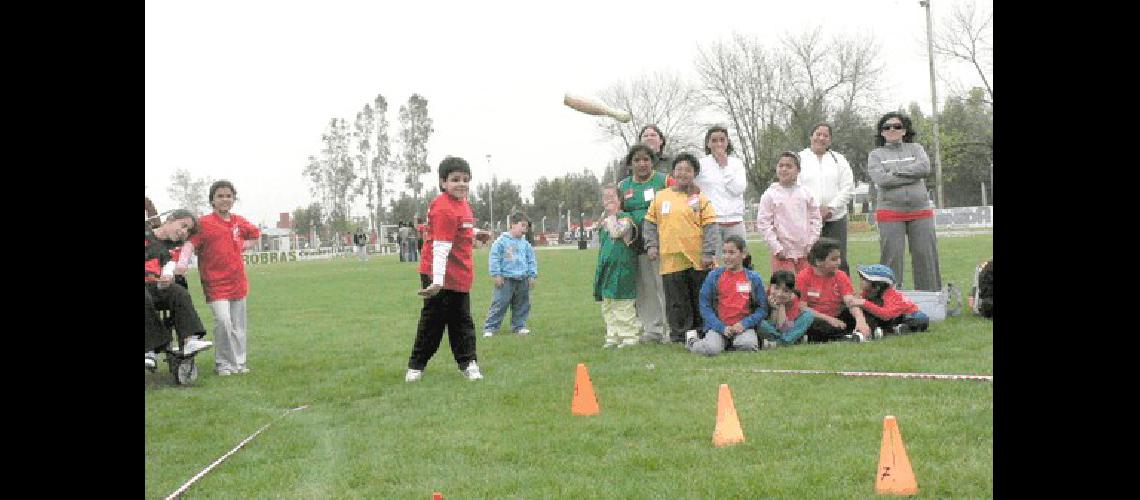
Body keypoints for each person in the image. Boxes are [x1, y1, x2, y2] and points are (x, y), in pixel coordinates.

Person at [405, 157, 483, 382]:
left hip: (460, 272)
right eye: (455, 179)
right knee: (433, 321)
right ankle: (416, 366)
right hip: (437, 272)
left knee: (462, 321)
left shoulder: (463, 203)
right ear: (443, 182)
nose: (461, 184)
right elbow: (440, 246)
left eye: (465, 180)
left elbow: (461, 228)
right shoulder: (443, 208)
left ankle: (468, 363)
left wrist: (476, 233)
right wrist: (437, 281)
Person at [177, 180, 261, 376]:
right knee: (223, 322)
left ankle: (239, 363)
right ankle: (223, 364)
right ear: (212, 200)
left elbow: (256, 235)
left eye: (228, 196)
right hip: (215, 283)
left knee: (238, 326)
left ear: (234, 199)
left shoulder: (239, 222)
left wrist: (243, 245)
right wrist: (182, 264)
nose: (225, 199)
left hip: (237, 281)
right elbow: (190, 244)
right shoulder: (204, 223)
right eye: (220, 196)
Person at [643, 152, 719, 343]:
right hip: (670, 259)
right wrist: (651, 245)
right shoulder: (661, 197)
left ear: (694, 174)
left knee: (698, 296)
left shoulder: (700, 198)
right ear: (673, 172)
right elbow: (650, 224)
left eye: (688, 170)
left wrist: (708, 252)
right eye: (680, 169)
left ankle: (701, 331)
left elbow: (710, 226)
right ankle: (679, 334)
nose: (683, 173)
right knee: (676, 300)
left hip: (697, 258)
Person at [867, 111, 942, 291]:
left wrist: (894, 171)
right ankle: (890, 301)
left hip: (920, 211)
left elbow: (924, 168)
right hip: (890, 213)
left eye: (897, 126)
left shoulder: (916, 148)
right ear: (882, 132)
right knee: (892, 258)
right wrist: (911, 174)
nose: (892, 129)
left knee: (925, 256)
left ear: (904, 130)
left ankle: (930, 298)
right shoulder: (875, 155)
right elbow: (882, 180)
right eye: (887, 127)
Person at [617, 143, 676, 344]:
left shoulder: (664, 180)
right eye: (637, 160)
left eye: (646, 159)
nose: (642, 164)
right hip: (635, 246)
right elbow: (616, 211)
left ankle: (673, 329)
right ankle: (652, 329)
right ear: (630, 164)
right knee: (645, 288)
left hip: (662, 243)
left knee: (665, 287)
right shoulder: (623, 186)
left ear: (653, 161)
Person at [146, 209, 212, 368]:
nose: (184, 232)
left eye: (187, 230)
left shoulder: (175, 248)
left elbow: (169, 269)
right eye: (183, 225)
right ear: (169, 219)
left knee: (179, 292)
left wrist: (167, 279)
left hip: (156, 286)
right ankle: (149, 349)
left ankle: (189, 340)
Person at [686, 235, 766, 356]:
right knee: (711, 349)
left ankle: (733, 343)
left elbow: (762, 309)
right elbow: (704, 305)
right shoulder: (714, 276)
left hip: (743, 328)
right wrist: (721, 327)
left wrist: (745, 324)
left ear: (743, 254)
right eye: (724, 252)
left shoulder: (754, 278)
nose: (727, 257)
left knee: (748, 346)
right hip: (718, 327)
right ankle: (692, 340)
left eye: (731, 253)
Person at [798, 122, 857, 275]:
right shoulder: (800, 158)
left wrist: (831, 208)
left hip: (835, 218)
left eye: (826, 135)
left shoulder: (839, 160)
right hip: (809, 219)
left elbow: (848, 186)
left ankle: (843, 296)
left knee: (838, 259)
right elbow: (796, 188)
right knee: (811, 258)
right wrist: (814, 209)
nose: (821, 138)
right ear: (811, 137)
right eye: (818, 134)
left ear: (830, 140)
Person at [756, 151, 822, 274]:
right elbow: (763, 224)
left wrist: (811, 244)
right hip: (782, 254)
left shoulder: (806, 193)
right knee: (784, 289)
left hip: (805, 253)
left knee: (804, 289)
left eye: (789, 166)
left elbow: (816, 220)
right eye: (781, 166)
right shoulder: (770, 194)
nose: (784, 169)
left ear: (798, 170)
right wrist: (776, 247)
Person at [795, 237, 872, 342]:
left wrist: (860, 320)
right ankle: (849, 335)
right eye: (833, 259)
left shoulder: (840, 275)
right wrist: (829, 319)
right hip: (818, 318)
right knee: (813, 325)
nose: (838, 262)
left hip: (839, 316)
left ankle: (858, 332)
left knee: (867, 313)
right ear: (818, 261)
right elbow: (802, 308)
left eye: (839, 258)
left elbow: (850, 301)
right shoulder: (803, 277)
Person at [593, 185, 642, 348]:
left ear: (620, 199)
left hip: (622, 270)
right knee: (608, 304)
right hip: (607, 269)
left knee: (623, 304)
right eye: (605, 197)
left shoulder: (625, 219)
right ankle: (613, 335)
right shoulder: (605, 221)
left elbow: (616, 233)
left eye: (611, 196)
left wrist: (611, 215)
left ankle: (629, 336)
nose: (608, 199)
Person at [695, 125, 748, 265]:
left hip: (735, 221)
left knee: (737, 262)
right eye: (714, 140)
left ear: (727, 142)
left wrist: (725, 166)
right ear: (708, 143)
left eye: (722, 140)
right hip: (712, 222)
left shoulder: (736, 163)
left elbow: (738, 189)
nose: (718, 144)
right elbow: (693, 190)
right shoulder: (701, 164)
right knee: (715, 263)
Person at [483, 212, 538, 337]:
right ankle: (490, 328)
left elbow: (531, 260)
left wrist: (532, 275)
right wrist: (496, 274)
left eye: (526, 226)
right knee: (500, 303)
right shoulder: (501, 242)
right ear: (512, 224)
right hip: (505, 279)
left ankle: (519, 326)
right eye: (522, 225)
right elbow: (494, 258)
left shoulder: (526, 244)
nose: (525, 229)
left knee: (522, 304)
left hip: (522, 279)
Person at [845, 264, 930, 335]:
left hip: (907, 315)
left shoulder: (890, 295)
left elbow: (886, 315)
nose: (860, 280)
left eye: (864, 279)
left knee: (921, 319)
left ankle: (902, 328)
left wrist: (864, 303)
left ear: (877, 286)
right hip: (892, 318)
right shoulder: (867, 293)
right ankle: (891, 329)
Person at [756, 270, 814, 347]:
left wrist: (781, 306)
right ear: (770, 286)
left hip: (788, 326)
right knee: (759, 322)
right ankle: (790, 340)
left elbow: (784, 328)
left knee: (808, 315)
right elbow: (771, 323)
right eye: (776, 288)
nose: (780, 293)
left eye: (786, 291)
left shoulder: (793, 300)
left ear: (791, 292)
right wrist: (774, 309)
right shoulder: (763, 296)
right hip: (771, 328)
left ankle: (782, 342)